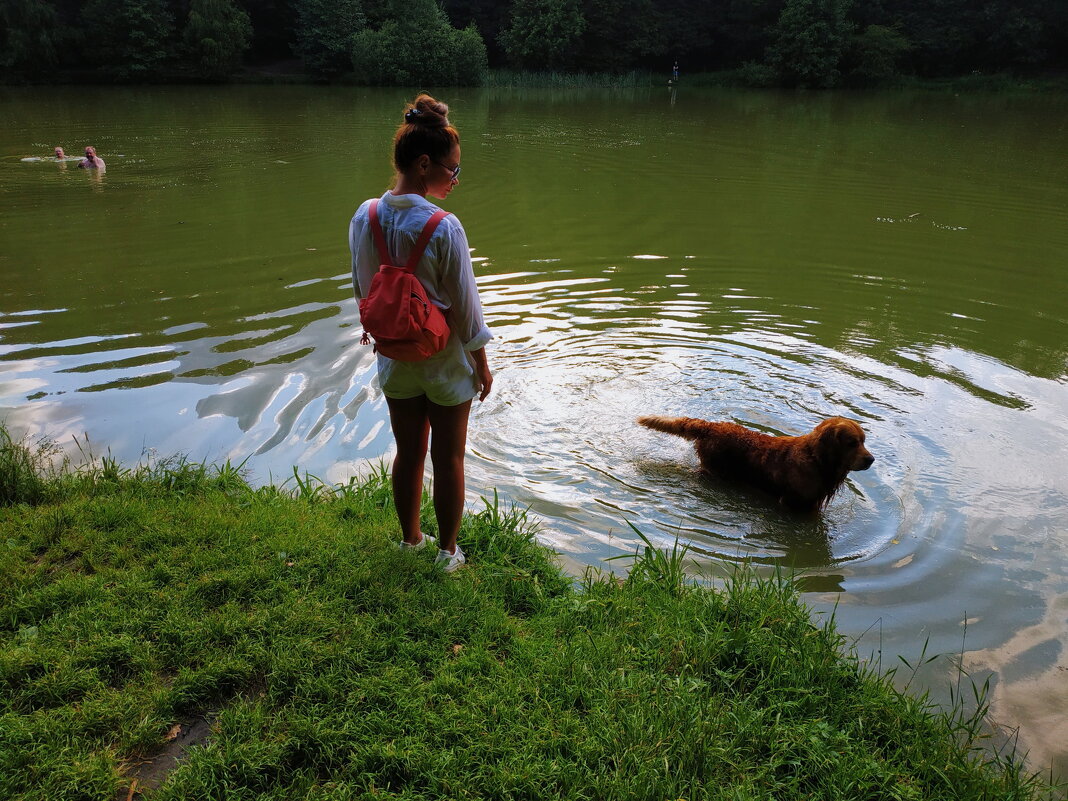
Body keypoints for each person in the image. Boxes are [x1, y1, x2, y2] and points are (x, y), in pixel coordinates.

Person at [348, 94, 492, 573]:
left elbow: (363, 291)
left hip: (393, 355)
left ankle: (410, 539)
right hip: (444, 357)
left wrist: (389, 334)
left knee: (408, 452)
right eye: (452, 170)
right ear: (425, 164)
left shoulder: (364, 217)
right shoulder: (444, 227)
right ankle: (447, 553)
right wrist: (481, 361)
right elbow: (466, 308)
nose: (455, 179)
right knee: (448, 457)